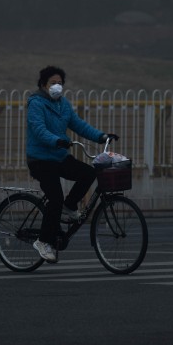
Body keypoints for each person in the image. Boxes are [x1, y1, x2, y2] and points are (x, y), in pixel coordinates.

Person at [26, 65, 118, 263]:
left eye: (60, 83)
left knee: (89, 172)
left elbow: (78, 124)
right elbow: (38, 129)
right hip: (41, 160)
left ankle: (70, 204)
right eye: (53, 83)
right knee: (55, 198)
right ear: (43, 85)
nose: (57, 87)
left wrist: (101, 136)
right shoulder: (36, 104)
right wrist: (56, 140)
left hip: (59, 157)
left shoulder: (63, 104)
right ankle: (43, 241)